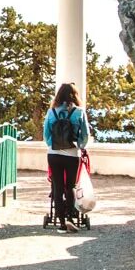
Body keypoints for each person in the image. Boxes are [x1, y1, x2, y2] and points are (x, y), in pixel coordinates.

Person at [42, 82, 90, 232]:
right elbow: (85, 134)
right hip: (72, 154)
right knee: (70, 186)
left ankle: (61, 223)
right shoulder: (79, 112)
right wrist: (79, 146)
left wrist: (54, 145)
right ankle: (70, 217)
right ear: (74, 95)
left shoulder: (52, 112)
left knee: (57, 187)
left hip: (54, 155)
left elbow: (46, 134)